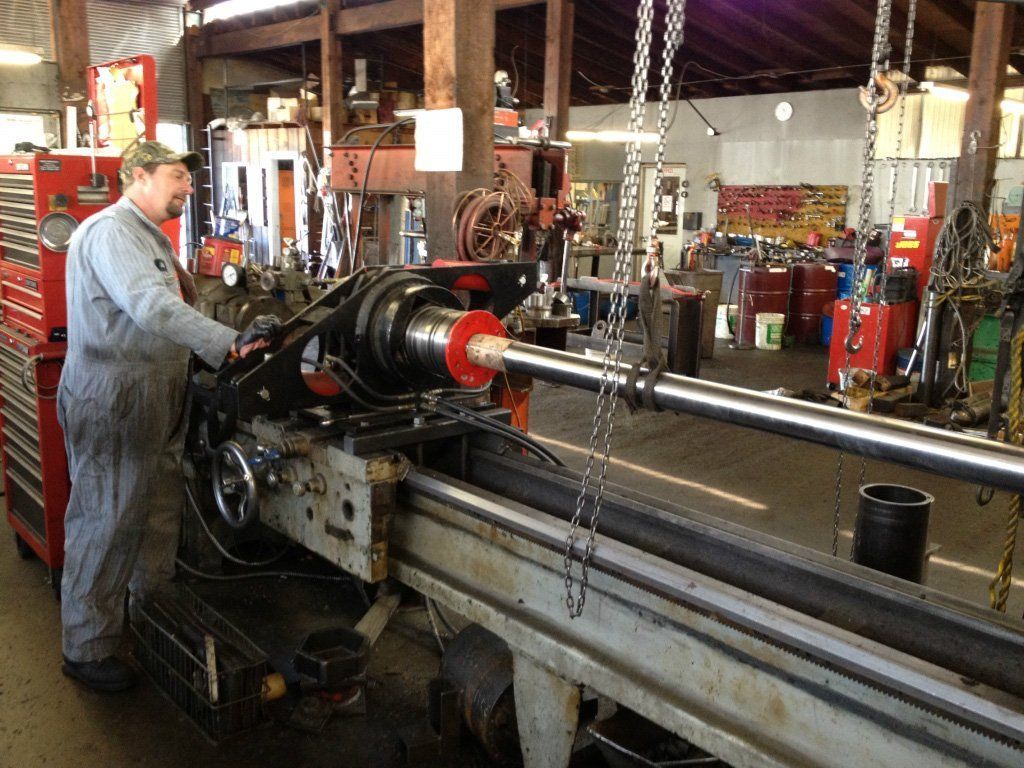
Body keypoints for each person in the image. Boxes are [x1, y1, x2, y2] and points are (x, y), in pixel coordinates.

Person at [57, 141, 282, 692]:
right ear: (138, 176)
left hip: (154, 393)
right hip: (116, 397)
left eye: (188, 178)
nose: (187, 187)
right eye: (177, 176)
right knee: (107, 518)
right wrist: (227, 344)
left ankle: (148, 611)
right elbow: (152, 307)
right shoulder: (112, 232)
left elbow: (172, 300)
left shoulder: (148, 236)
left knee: (155, 510)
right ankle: (86, 647)